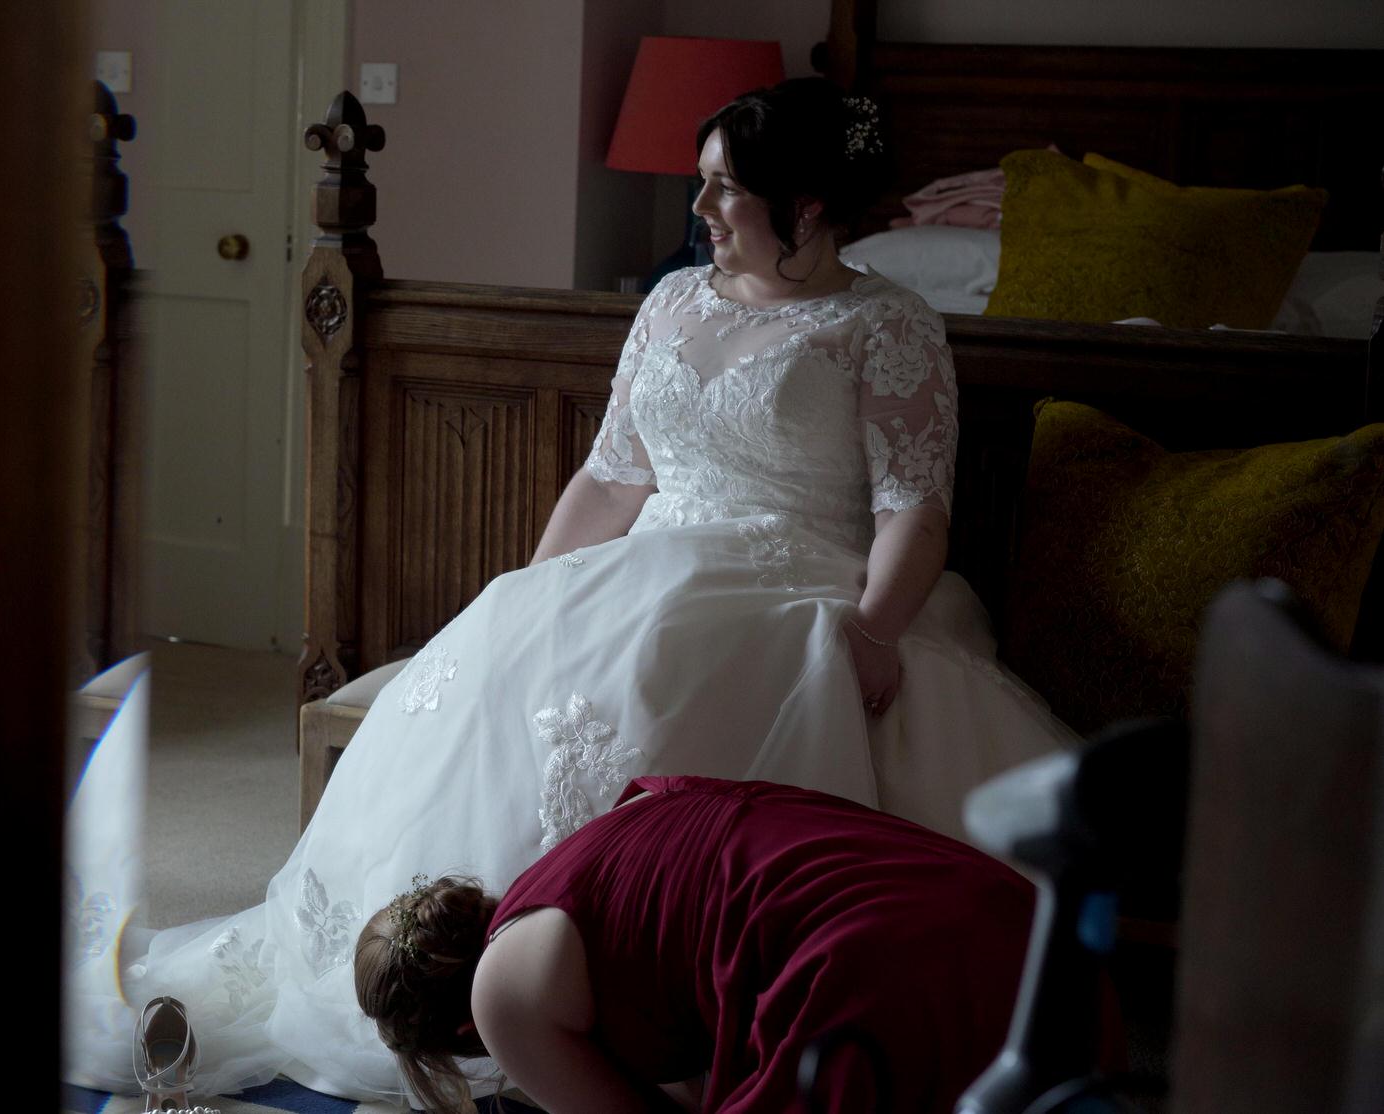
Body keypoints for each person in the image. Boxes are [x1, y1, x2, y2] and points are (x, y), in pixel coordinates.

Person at [66, 77, 1075, 1101]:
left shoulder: (886, 323)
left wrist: (872, 631)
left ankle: (623, 1006)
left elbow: (915, 508)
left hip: (804, 580)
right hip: (650, 562)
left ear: (806, 206)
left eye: (725, 190)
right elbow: (610, 476)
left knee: (677, 686)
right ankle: (460, 978)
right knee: (518, 664)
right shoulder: (673, 300)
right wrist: (535, 599)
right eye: (702, 184)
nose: (700, 211)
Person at [356, 776, 1038, 1114]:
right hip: (990, 903)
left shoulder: (500, 992)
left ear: (460, 1029)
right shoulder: (595, 842)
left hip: (874, 970)